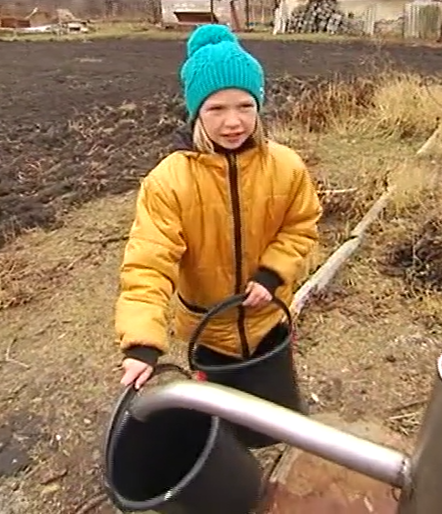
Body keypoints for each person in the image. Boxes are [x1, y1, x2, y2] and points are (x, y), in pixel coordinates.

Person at [114, 23, 323, 389]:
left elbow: (300, 227)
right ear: (196, 112)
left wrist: (272, 275)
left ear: (258, 106)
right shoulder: (168, 181)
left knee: (274, 416)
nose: (233, 122)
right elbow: (148, 264)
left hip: (270, 320)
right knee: (223, 427)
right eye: (216, 108)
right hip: (209, 330)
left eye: (245, 105)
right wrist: (142, 342)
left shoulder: (287, 167)